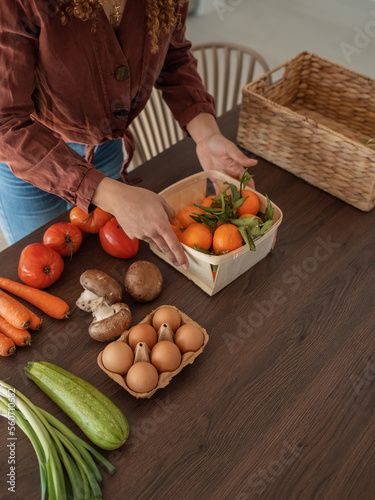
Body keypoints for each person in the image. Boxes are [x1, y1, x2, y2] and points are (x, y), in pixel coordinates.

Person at [0, 0, 257, 268]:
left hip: (105, 148)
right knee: (42, 264)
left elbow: (172, 55)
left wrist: (206, 135)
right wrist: (106, 192)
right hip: (29, 158)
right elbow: (5, 121)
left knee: (98, 262)